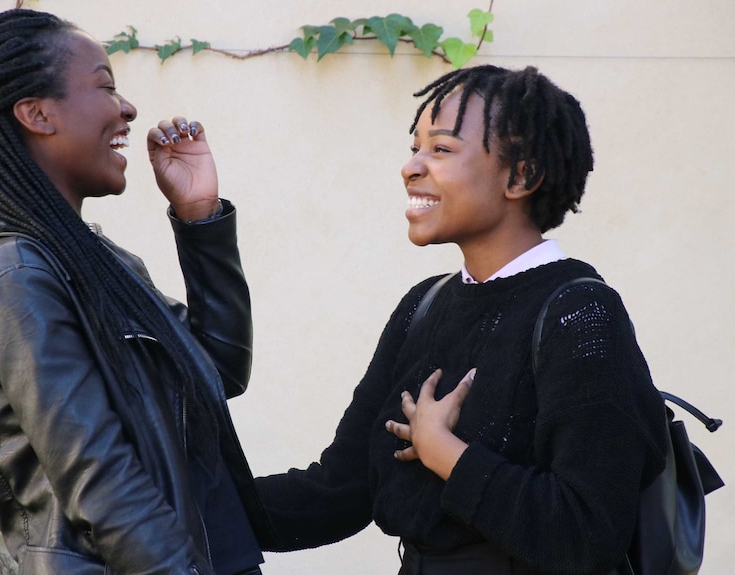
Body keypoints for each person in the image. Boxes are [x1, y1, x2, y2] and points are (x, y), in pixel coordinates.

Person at [254, 65, 668, 574]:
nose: (411, 167)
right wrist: (176, 502)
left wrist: (447, 453)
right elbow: (341, 491)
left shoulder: (579, 313)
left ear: (522, 176)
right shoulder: (421, 306)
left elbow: (588, 530)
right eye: (414, 147)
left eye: (441, 149)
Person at [0, 9, 274, 575]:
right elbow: (104, 487)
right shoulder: (18, 277)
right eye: (105, 86)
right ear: (36, 113)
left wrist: (200, 219)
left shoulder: (86, 260)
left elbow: (218, 370)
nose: (127, 108)